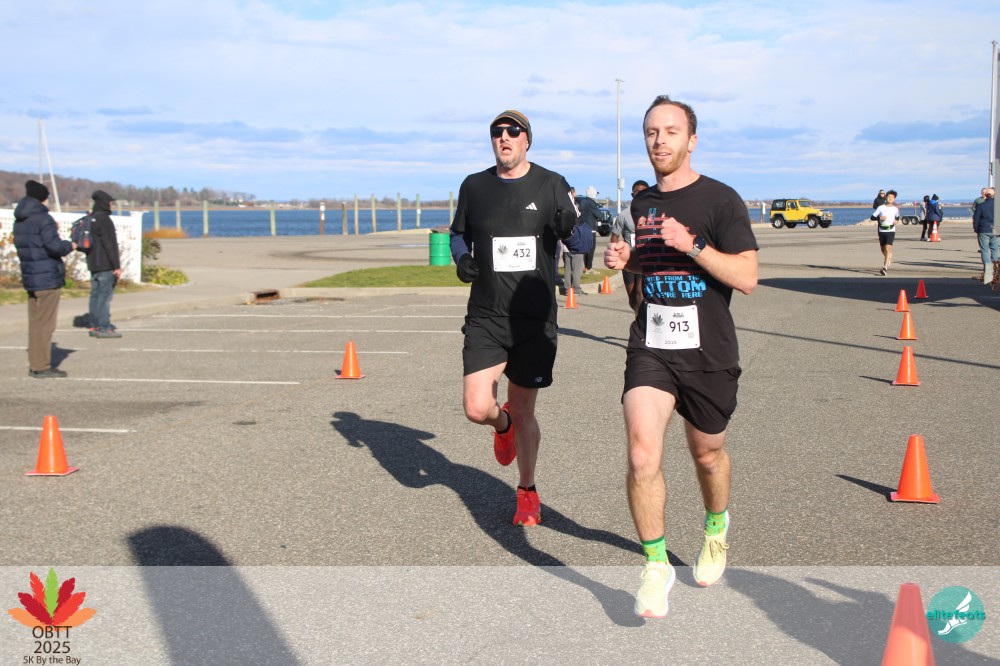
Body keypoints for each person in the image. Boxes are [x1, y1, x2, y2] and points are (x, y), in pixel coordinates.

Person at [603, 96, 758, 618]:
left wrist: (693, 246)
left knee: (707, 454)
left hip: (708, 350)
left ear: (692, 140)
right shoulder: (641, 206)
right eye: (651, 132)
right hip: (651, 345)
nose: (659, 140)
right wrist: (626, 260)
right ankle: (655, 565)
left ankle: (716, 527)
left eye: (670, 131)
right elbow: (647, 272)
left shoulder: (721, 200)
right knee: (642, 454)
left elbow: (747, 277)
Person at [449, 109, 587, 526]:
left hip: (533, 319)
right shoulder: (474, 186)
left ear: (527, 139)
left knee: (526, 409)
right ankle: (501, 423)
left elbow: (582, 242)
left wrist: (569, 227)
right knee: (477, 407)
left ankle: (527, 490)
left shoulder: (551, 184)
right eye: (497, 132)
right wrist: (462, 258)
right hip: (487, 314)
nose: (504, 137)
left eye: (513, 131)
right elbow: (458, 234)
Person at [12, 180, 76, 378]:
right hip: (46, 277)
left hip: (31, 275)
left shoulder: (20, 219)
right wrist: (70, 245)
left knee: (35, 323)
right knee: (45, 324)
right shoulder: (43, 219)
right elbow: (54, 246)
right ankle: (41, 366)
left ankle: (36, 362)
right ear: (42, 198)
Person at [86, 189, 123, 338]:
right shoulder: (105, 220)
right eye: (110, 202)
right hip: (105, 264)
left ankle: (94, 326)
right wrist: (116, 265)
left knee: (95, 296)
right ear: (105, 203)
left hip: (93, 264)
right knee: (104, 297)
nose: (111, 205)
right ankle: (104, 327)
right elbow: (110, 244)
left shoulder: (91, 219)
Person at [610, 179, 649, 311]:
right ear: (632, 195)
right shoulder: (624, 215)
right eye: (637, 191)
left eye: (643, 191)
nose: (640, 193)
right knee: (632, 299)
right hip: (627, 259)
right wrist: (615, 254)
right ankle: (638, 314)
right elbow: (614, 235)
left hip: (644, 258)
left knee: (640, 293)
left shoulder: (652, 213)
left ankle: (641, 321)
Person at [561, 188, 587, 295]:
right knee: (577, 268)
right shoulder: (575, 209)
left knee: (567, 268)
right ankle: (576, 288)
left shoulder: (561, 208)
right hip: (575, 243)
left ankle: (567, 289)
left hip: (565, 244)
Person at [872, 189, 900, 274]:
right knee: (882, 249)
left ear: (894, 199)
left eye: (892, 197)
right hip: (881, 230)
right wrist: (879, 218)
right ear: (886, 198)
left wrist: (896, 221)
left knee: (888, 248)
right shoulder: (881, 208)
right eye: (889, 196)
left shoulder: (895, 209)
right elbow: (872, 217)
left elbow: (897, 217)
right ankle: (888, 257)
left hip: (891, 230)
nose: (890, 198)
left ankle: (885, 268)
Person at [972, 187, 996, 285]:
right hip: (995, 230)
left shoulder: (981, 206)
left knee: (985, 250)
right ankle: (995, 269)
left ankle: (988, 271)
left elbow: (976, 219)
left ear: (985, 195)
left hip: (983, 230)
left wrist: (976, 229)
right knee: (995, 249)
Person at [576, 186, 602, 273]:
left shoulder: (583, 202)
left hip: (583, 228)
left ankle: (586, 267)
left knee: (586, 248)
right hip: (591, 229)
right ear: (593, 194)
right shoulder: (591, 203)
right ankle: (589, 267)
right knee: (591, 248)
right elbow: (599, 215)